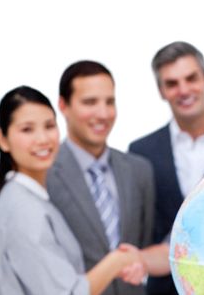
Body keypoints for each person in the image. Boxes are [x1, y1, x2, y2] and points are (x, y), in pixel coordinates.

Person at [0, 86, 143, 295]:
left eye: (49, 126)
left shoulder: (27, 198)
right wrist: (118, 260)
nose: (42, 139)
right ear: (3, 140)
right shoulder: (22, 208)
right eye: (27, 129)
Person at [128, 41, 204, 294]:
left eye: (191, 78)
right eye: (172, 83)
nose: (184, 90)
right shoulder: (140, 152)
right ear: (161, 90)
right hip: (164, 287)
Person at [46, 61, 155, 295]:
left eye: (110, 102)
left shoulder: (139, 170)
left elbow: (143, 243)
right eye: (90, 102)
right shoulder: (45, 175)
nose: (103, 113)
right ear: (63, 105)